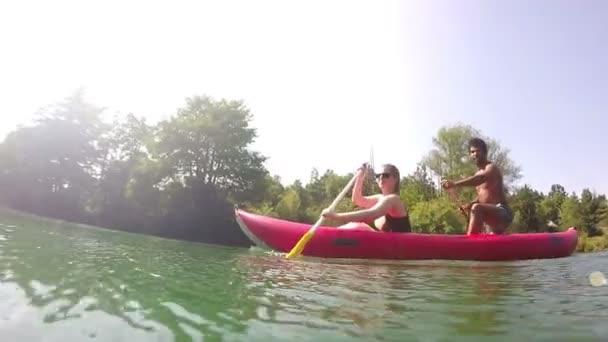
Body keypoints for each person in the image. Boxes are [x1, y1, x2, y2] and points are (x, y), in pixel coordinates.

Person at [441, 138, 513, 235]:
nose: (474, 154)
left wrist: (454, 184)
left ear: (485, 152)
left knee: (477, 208)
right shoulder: (477, 173)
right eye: (472, 152)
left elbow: (479, 179)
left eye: (477, 151)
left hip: (503, 212)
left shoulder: (491, 168)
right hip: (490, 221)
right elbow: (481, 199)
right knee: (476, 207)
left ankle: (468, 246)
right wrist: (469, 206)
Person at [321, 163, 412, 233]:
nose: (380, 178)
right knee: (358, 227)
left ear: (395, 178)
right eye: (378, 175)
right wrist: (360, 177)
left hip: (401, 247)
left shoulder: (393, 199)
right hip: (388, 247)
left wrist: (336, 216)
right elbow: (357, 199)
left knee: (359, 227)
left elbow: (371, 214)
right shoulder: (380, 198)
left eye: (385, 175)